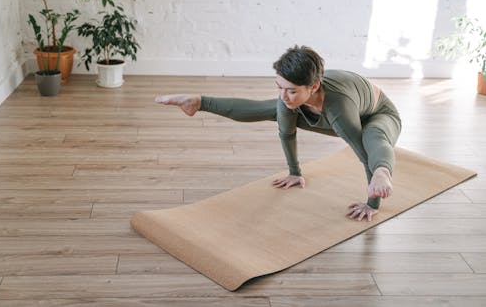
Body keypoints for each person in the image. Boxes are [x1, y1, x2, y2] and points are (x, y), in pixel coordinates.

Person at [155, 45, 401, 222]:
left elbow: (362, 154)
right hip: (329, 113)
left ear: (314, 86)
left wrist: (372, 202)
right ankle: (198, 102)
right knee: (271, 109)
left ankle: (383, 172)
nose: (283, 96)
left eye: (291, 91)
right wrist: (295, 173)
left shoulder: (340, 107)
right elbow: (286, 134)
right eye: (279, 87)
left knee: (373, 138)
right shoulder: (289, 97)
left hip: (378, 114)